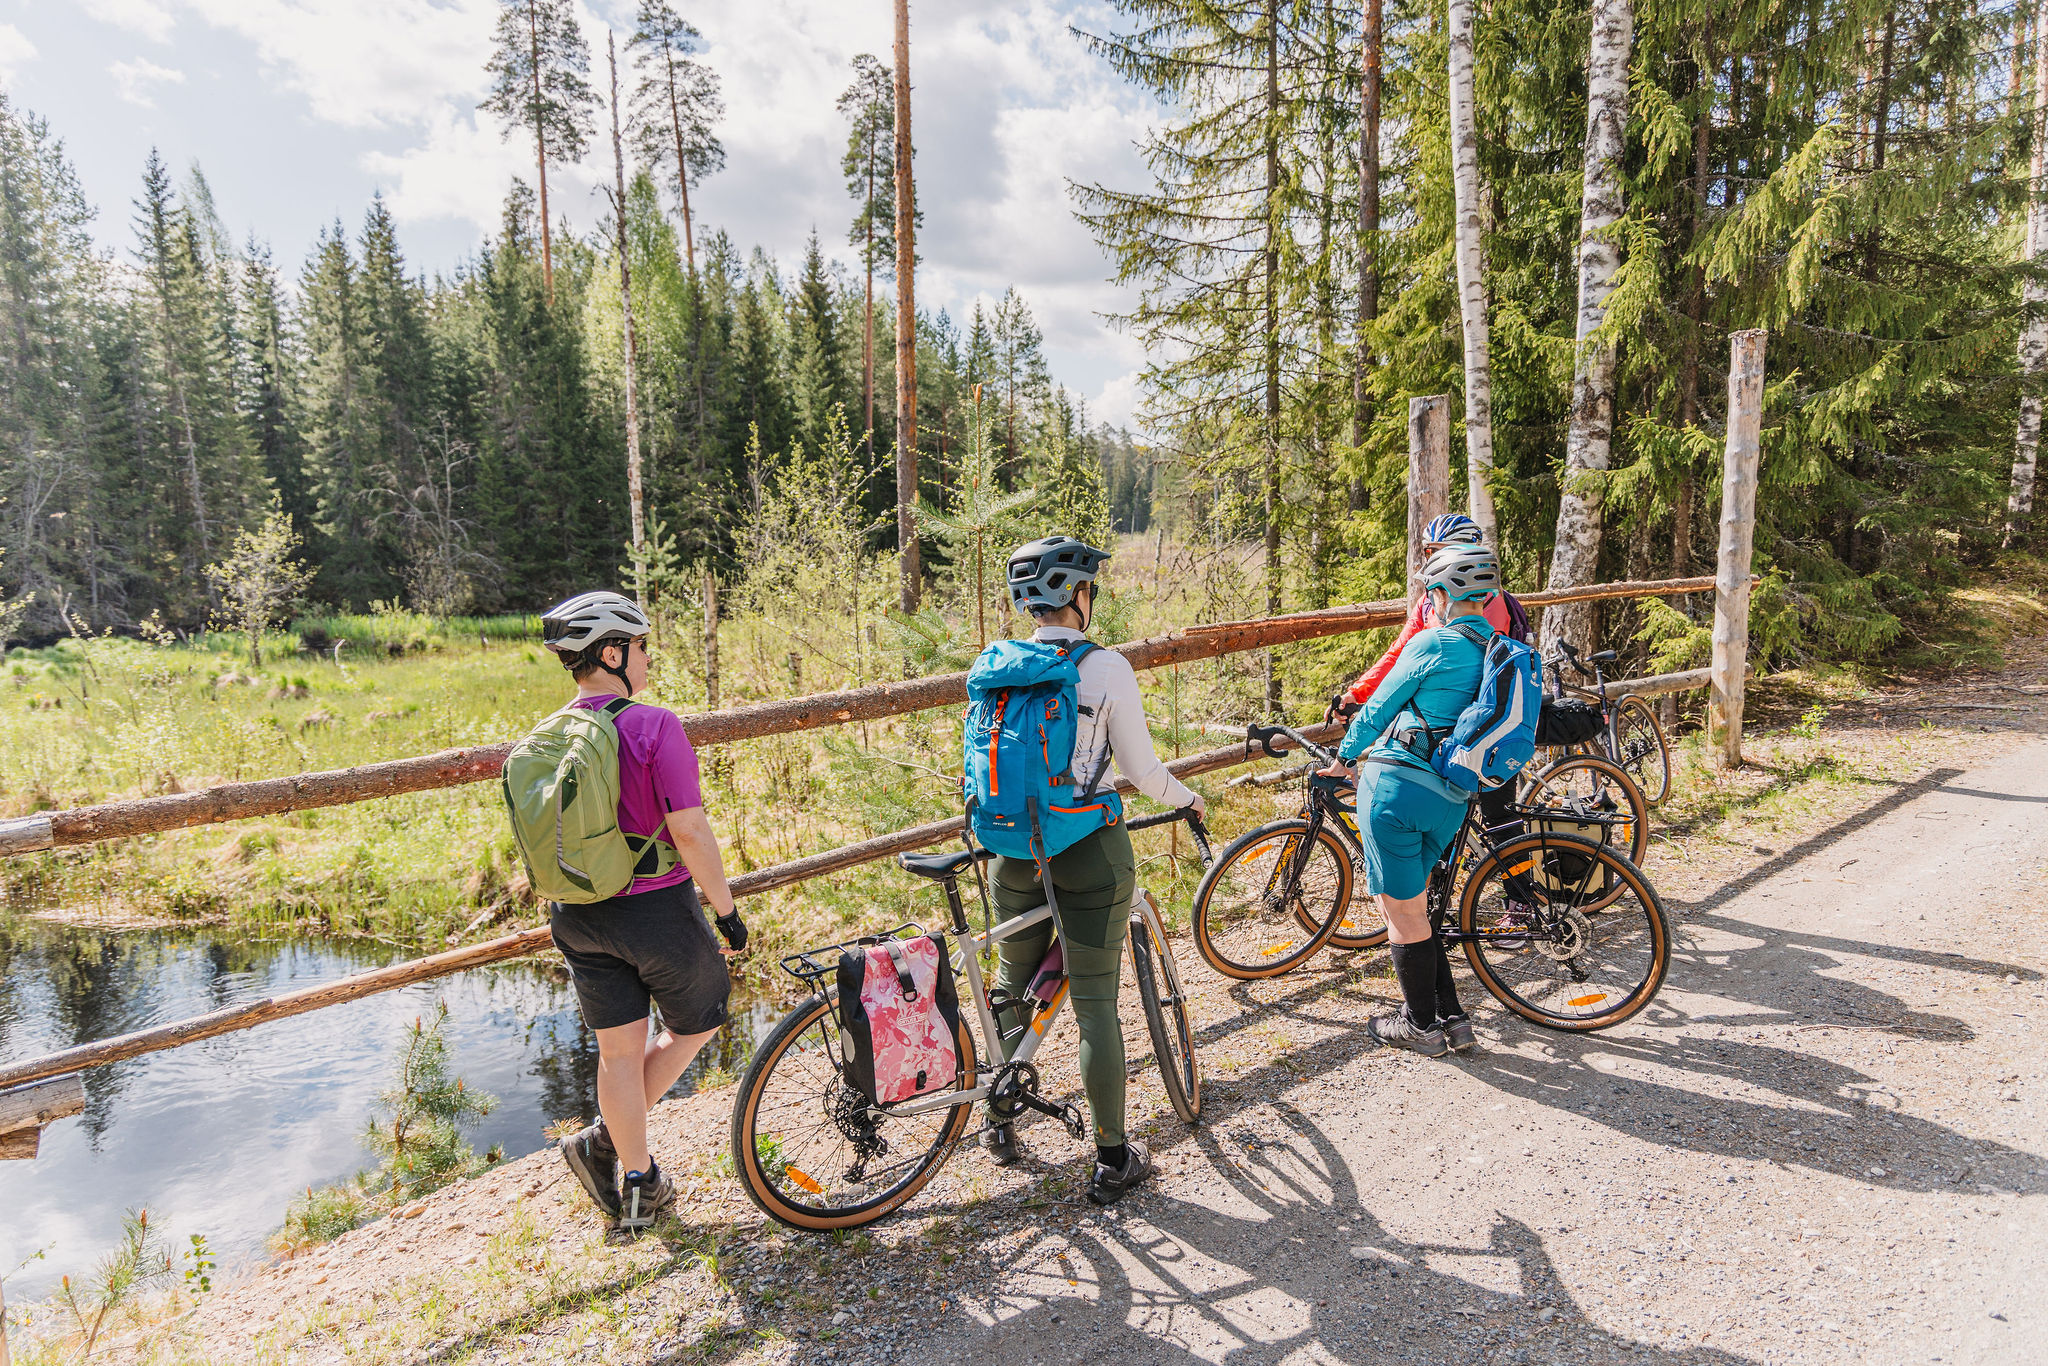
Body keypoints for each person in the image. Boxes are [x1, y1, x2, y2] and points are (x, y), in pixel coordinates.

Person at [982, 535, 1207, 1205]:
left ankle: (1000, 1120)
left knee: (1009, 985)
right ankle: (1112, 1159)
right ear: (1077, 596)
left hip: (1011, 849)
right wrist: (1187, 797)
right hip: (1087, 849)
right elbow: (1139, 771)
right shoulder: (1105, 667)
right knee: (1095, 1004)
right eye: (1089, 589)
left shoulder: (996, 662)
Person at [538, 591, 748, 1230]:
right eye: (640, 646)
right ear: (611, 653)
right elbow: (688, 829)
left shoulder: (547, 735)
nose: (648, 658)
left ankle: (636, 1182)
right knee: (700, 1020)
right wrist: (727, 912)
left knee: (619, 1053)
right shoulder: (656, 726)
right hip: (654, 908)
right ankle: (604, 1145)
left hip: (576, 915)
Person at [1318, 545, 1505, 1058]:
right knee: (1416, 907)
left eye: (1432, 592)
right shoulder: (1500, 650)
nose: (1431, 600)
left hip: (1398, 787)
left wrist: (1344, 758)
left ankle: (1420, 1025)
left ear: (1444, 595)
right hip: (1454, 796)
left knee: (1400, 912)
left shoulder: (1435, 643)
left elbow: (1379, 708)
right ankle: (1454, 1017)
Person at [1328, 512, 1530, 838]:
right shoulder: (1428, 603)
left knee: (1499, 820)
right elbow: (1399, 653)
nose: (1432, 558)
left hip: (1485, 724)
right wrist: (1358, 693)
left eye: (1440, 550)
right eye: (1428, 551)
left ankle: (1522, 888)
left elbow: (1477, 670)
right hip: (1443, 732)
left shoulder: (1487, 603)